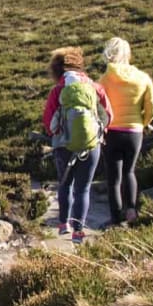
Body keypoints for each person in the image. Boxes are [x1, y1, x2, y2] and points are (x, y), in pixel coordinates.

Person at [40, 46, 110, 243]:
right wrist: (97, 133)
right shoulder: (95, 88)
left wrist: (59, 133)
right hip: (91, 145)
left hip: (63, 146)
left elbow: (48, 122)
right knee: (83, 188)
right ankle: (79, 231)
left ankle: (63, 224)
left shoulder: (58, 91)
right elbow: (108, 116)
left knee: (65, 185)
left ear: (57, 69)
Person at [96, 37, 153, 227]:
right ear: (128, 54)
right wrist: (142, 123)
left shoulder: (104, 80)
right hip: (134, 132)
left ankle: (116, 219)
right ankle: (131, 209)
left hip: (111, 132)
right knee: (130, 171)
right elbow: (152, 108)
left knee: (114, 178)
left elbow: (97, 108)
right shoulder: (143, 78)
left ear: (109, 54)